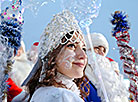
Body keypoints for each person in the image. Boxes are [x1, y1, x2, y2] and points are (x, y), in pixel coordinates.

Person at [13, 10, 89, 102]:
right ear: (52, 55)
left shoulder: (43, 93)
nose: (83, 56)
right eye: (71, 46)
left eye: (84, 49)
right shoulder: (61, 96)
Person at [85, 33, 129, 102]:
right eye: (97, 48)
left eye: (103, 50)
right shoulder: (82, 75)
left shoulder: (111, 74)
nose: (102, 54)